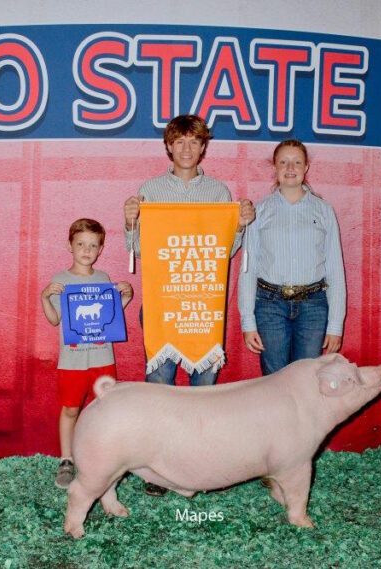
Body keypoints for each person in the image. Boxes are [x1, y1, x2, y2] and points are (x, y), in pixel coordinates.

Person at [123, 114, 255, 496]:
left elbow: (224, 252)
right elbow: (136, 249)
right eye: (178, 141)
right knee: (160, 386)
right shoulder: (149, 189)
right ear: (168, 146)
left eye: (193, 142)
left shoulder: (218, 192)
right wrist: (130, 220)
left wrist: (240, 224)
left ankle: (197, 467)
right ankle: (156, 469)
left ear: (203, 147)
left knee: (203, 390)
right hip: (163, 302)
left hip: (202, 303)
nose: (185, 148)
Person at [238, 139, 346, 376]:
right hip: (269, 306)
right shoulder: (260, 211)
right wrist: (248, 321)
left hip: (313, 307)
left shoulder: (323, 210)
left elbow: (335, 270)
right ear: (275, 167)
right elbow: (248, 269)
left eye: (297, 162)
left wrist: (335, 325)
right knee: (274, 381)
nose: (290, 168)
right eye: (284, 162)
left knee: (306, 380)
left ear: (306, 167)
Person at [41, 218, 133, 489]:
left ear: (101, 249)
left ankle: (103, 459)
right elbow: (55, 320)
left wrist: (124, 297)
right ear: (69, 246)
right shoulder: (60, 281)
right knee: (70, 408)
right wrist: (45, 297)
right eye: (81, 244)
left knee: (105, 409)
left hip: (103, 357)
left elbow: (110, 319)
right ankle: (66, 459)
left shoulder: (103, 279)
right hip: (72, 359)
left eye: (93, 245)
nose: (86, 249)